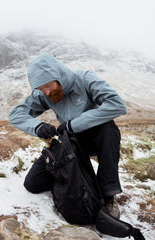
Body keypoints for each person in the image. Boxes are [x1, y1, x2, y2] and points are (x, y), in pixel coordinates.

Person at [9, 53, 126, 218]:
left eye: (49, 86)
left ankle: (108, 193)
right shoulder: (44, 94)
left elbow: (117, 105)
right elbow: (16, 115)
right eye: (41, 89)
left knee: (108, 128)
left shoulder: (85, 79)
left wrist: (73, 124)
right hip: (69, 144)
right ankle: (75, 181)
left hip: (95, 139)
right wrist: (38, 126)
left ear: (59, 75)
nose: (46, 92)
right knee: (33, 184)